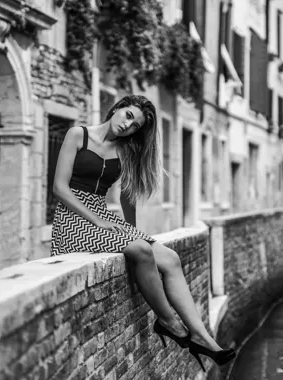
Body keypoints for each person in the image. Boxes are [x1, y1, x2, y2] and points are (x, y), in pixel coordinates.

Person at [50, 95, 235, 371]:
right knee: (141, 250)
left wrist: (132, 229)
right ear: (117, 108)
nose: (128, 125)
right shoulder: (79, 135)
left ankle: (203, 337)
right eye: (127, 116)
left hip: (102, 216)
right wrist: (98, 222)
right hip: (72, 219)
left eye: (135, 125)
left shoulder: (124, 151)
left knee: (170, 258)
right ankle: (169, 322)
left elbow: (127, 196)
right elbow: (59, 188)